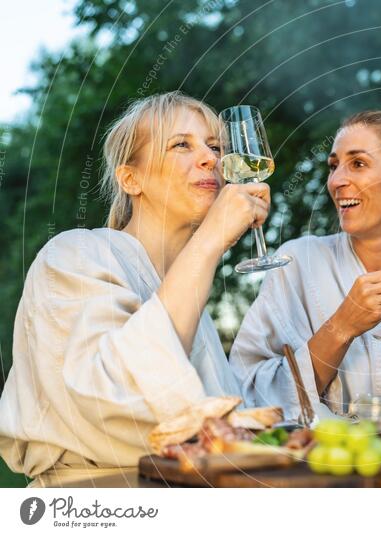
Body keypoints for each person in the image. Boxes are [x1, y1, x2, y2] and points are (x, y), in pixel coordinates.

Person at [0, 91, 270, 486]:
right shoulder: (75, 254)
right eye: (181, 144)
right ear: (131, 178)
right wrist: (212, 238)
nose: (211, 158)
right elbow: (115, 399)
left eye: (215, 146)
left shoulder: (189, 294)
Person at [231, 111, 381, 418]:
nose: (336, 181)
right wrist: (342, 326)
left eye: (357, 163)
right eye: (334, 166)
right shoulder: (298, 263)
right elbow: (250, 393)